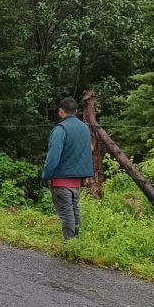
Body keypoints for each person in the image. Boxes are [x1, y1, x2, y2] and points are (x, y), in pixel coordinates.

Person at [42, 97, 94, 240]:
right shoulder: (85, 128)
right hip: (77, 181)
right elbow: (89, 150)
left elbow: (53, 157)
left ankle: (70, 246)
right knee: (75, 211)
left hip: (61, 180)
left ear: (61, 111)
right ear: (76, 111)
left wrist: (46, 175)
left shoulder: (61, 129)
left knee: (66, 215)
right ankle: (78, 243)